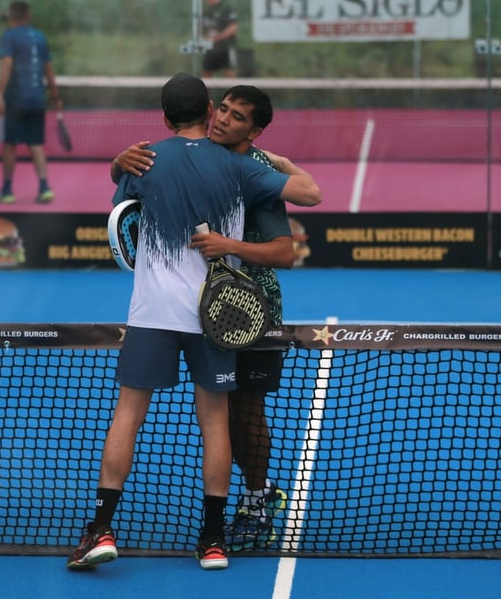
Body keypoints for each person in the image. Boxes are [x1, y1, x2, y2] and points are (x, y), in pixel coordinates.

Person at [66, 73, 320, 572]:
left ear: (162, 117)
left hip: (151, 314)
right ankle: (212, 540)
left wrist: (120, 161)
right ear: (208, 108)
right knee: (215, 422)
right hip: (216, 317)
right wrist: (273, 164)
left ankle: (100, 529)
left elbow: (122, 205)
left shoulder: (143, 161)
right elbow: (309, 194)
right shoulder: (240, 167)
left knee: (127, 417)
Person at [0, 0, 62, 204]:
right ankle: (44, 188)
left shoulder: (8, 36)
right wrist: (56, 97)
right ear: (28, 16)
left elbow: (6, 63)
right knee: (36, 144)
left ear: (11, 17)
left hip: (15, 100)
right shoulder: (40, 38)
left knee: (9, 144)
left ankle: (6, 191)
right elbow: (49, 69)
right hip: (37, 100)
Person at [201, 0, 238, 78]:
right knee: (206, 77)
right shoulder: (204, 9)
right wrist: (204, 39)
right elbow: (201, 27)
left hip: (225, 48)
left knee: (230, 75)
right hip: (210, 49)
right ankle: (204, 95)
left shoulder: (225, 7)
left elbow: (233, 27)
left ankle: (235, 94)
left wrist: (218, 37)